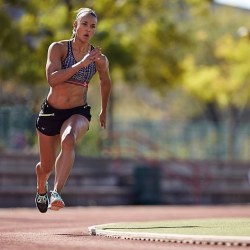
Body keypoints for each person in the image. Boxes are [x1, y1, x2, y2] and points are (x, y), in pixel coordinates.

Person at [35, 7, 111, 213]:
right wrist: (81, 63)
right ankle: (42, 187)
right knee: (46, 167)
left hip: (77, 111)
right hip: (51, 111)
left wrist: (104, 110)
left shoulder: (99, 59)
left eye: (92, 26)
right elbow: (52, 79)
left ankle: (56, 193)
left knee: (68, 140)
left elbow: (106, 82)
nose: (88, 29)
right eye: (84, 24)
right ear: (75, 26)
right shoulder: (58, 48)